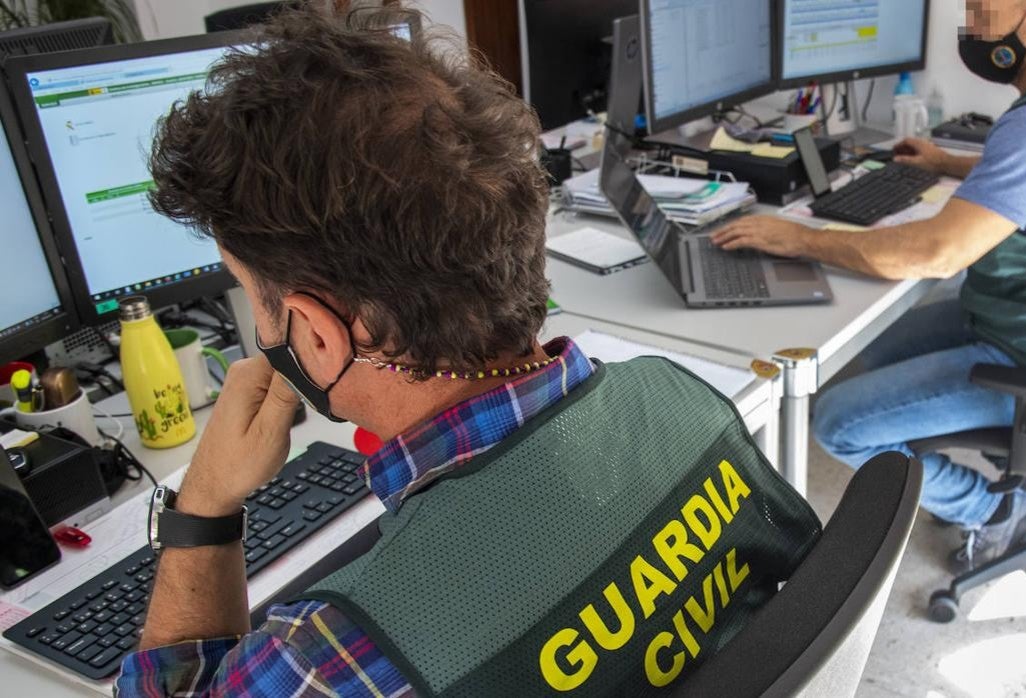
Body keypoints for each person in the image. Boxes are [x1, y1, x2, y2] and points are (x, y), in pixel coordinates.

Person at [115, 7, 820, 696]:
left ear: (319, 334)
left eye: (249, 295)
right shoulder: (680, 400)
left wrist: (204, 509)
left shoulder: (332, 654)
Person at [712, 0, 1026, 569]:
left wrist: (800, 239)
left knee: (839, 422)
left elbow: (937, 252)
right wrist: (947, 163)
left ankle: (994, 509)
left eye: (983, 12)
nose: (972, 27)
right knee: (866, 347)